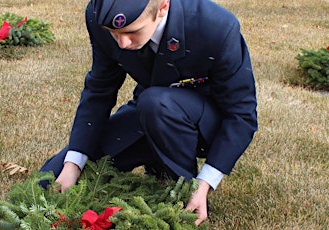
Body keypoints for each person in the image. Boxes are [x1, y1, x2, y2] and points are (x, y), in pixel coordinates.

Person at [40, 0, 257, 226]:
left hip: (204, 123)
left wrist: (204, 183)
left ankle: (183, 192)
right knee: (47, 182)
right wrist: (73, 164)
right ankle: (157, 159)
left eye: (132, 31)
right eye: (114, 33)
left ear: (162, 7)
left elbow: (241, 115)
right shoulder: (99, 16)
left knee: (157, 104)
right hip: (149, 112)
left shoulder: (215, 27)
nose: (122, 43)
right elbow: (100, 89)